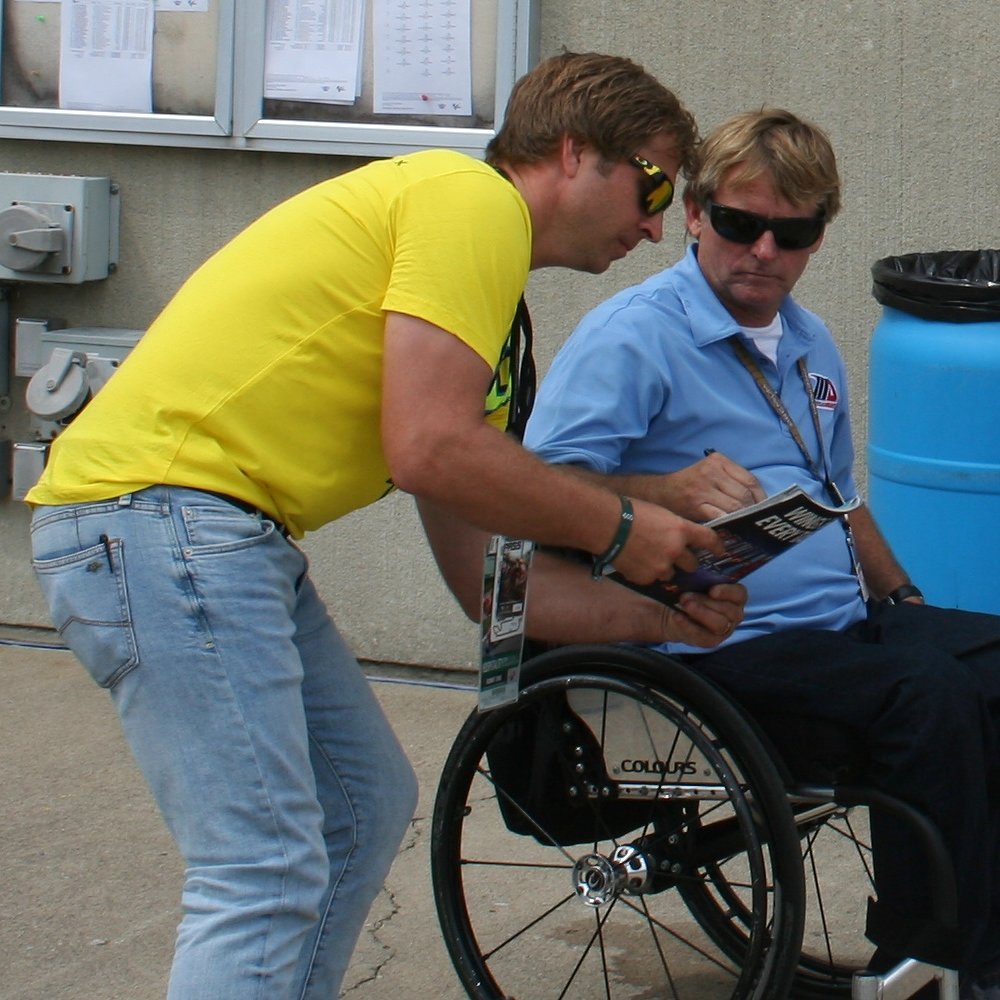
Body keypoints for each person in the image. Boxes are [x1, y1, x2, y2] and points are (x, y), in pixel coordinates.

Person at [24, 52, 746, 1000]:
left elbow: (488, 584)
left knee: (362, 804)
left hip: (212, 536)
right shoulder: (468, 202)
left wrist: (663, 616)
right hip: (161, 519)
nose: (655, 226)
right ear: (571, 153)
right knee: (263, 866)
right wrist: (624, 529)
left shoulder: (486, 319)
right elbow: (430, 449)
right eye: (652, 183)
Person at [523, 107, 1000, 998]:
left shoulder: (812, 343)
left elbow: (840, 500)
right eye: (741, 224)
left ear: (819, 234)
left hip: (834, 629)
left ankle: (985, 928)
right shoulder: (633, 337)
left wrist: (903, 604)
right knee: (927, 696)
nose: (763, 251)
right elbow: (536, 494)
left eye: (793, 232)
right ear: (696, 213)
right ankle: (931, 961)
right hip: (706, 643)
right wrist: (661, 492)